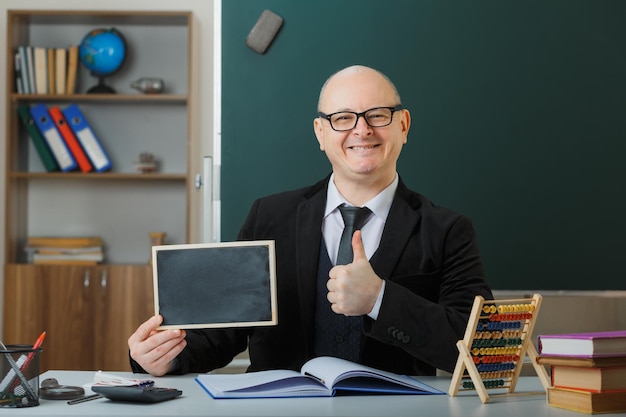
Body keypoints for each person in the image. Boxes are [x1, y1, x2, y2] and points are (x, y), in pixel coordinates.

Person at [128, 65, 493, 377]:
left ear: (403, 125)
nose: (362, 130)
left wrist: (380, 299)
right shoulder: (269, 217)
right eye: (343, 118)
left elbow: (482, 349)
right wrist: (165, 358)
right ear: (321, 133)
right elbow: (225, 333)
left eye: (378, 115)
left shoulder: (447, 230)